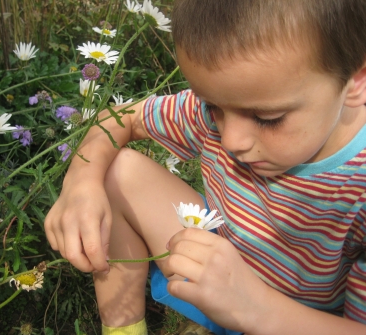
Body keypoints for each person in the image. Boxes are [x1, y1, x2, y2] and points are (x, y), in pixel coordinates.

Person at [44, 0, 366, 334]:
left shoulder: (358, 184)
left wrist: (255, 309)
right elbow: (121, 116)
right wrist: (81, 181)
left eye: (267, 118)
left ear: (356, 79)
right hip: (220, 265)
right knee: (116, 172)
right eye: (213, 106)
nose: (231, 139)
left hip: (296, 322)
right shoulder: (231, 108)